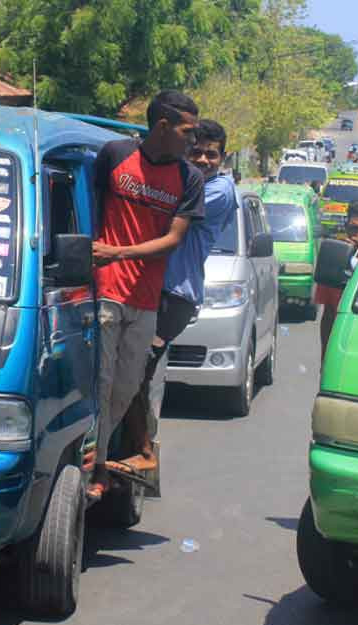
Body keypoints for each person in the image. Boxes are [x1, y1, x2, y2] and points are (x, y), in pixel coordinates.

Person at [87, 91, 205, 500]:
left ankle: (100, 457)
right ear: (162, 126)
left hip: (146, 300)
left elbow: (173, 240)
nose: (194, 140)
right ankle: (98, 469)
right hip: (105, 291)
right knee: (100, 382)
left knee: (127, 385)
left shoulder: (189, 179)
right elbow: (90, 208)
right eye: (188, 131)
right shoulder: (114, 154)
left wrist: (117, 251)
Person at [115, 120, 236, 475]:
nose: (202, 160)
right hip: (154, 290)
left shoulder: (217, 191)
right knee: (134, 374)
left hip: (175, 296)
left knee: (137, 372)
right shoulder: (189, 179)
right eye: (195, 151)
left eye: (210, 155)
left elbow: (160, 204)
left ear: (223, 158)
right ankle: (133, 448)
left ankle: (145, 453)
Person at [316, 202, 358, 359]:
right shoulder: (334, 257)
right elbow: (328, 315)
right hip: (342, 347)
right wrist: (325, 358)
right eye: (354, 229)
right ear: (346, 228)